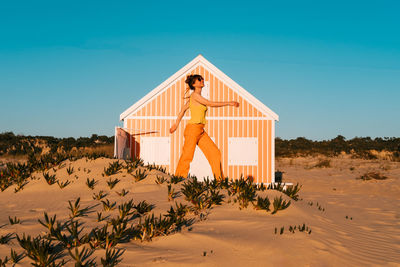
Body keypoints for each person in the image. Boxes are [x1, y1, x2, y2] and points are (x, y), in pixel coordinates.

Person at [169, 74, 239, 180]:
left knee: (215, 153)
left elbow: (183, 110)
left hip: (200, 131)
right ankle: (178, 178)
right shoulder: (194, 96)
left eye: (202, 79)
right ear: (194, 84)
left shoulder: (194, 98)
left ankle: (220, 181)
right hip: (192, 130)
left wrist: (176, 123)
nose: (202, 80)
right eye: (199, 79)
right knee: (187, 155)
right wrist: (229, 103)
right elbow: (210, 103)